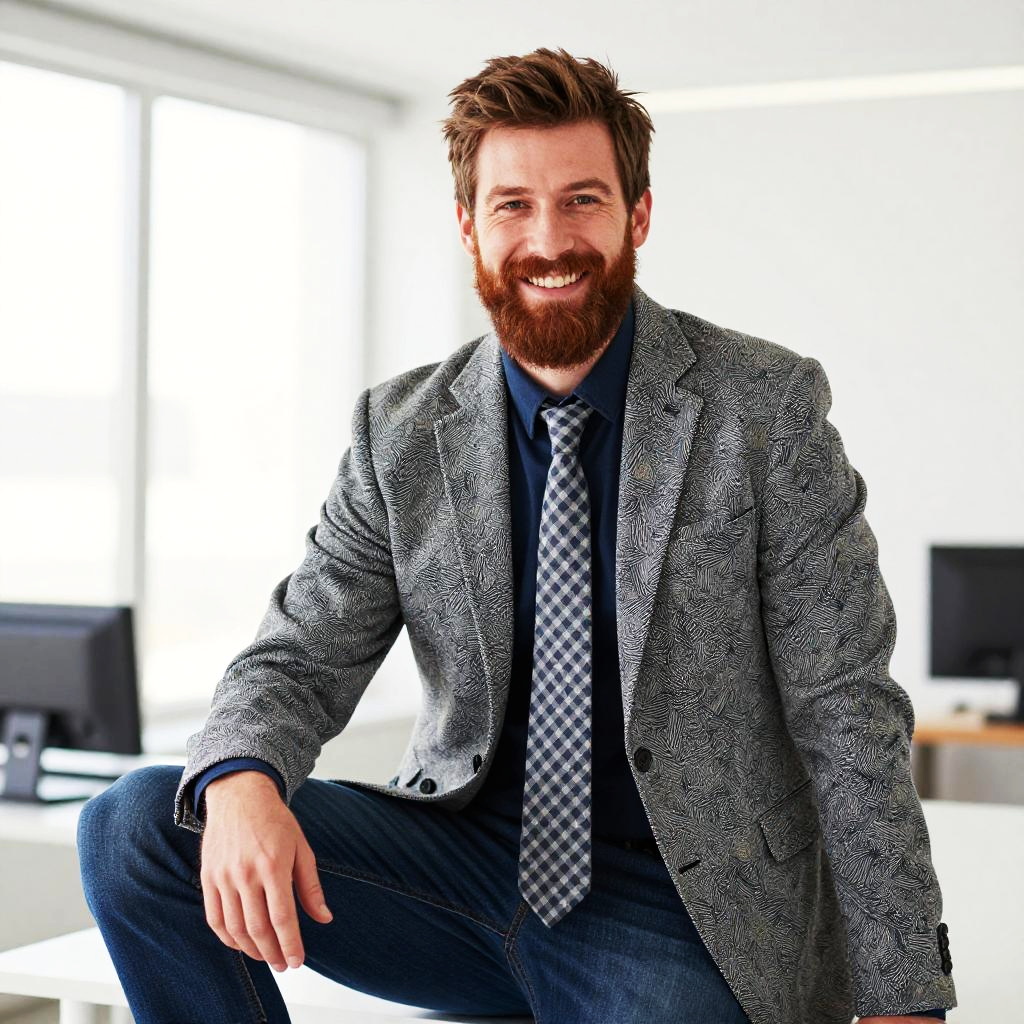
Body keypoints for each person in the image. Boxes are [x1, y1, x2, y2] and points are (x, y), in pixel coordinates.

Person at [77, 48, 957, 1024]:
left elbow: (845, 709)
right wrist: (242, 777)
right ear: (469, 225)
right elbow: (299, 654)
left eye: (582, 201)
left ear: (637, 215)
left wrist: (902, 998)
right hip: (454, 872)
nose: (549, 240)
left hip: (676, 903)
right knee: (138, 825)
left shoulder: (762, 408)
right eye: (512, 206)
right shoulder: (400, 432)